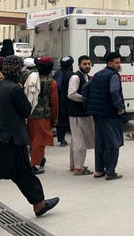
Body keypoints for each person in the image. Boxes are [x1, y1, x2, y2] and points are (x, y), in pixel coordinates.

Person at [0, 56, 59, 233]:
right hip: (13, 142)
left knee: (0, 177)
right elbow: (25, 111)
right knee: (19, 175)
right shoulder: (15, 89)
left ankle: (38, 205)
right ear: (17, 70)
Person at [82, 52, 125, 180]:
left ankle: (99, 170)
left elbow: (85, 88)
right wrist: (120, 108)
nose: (119, 65)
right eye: (117, 62)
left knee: (100, 142)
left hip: (97, 114)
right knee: (114, 142)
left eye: (119, 62)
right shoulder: (113, 76)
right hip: (110, 114)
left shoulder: (98, 74)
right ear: (110, 63)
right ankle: (110, 172)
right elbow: (114, 91)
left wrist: (88, 105)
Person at [26, 56, 58, 175]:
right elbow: (54, 102)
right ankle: (33, 164)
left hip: (30, 112)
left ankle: (40, 158)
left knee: (34, 138)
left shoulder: (31, 78)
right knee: (39, 141)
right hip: (43, 114)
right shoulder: (51, 82)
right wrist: (55, 118)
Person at [66, 55, 95, 175]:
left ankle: (74, 165)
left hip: (83, 114)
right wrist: (85, 99)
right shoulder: (75, 77)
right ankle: (78, 168)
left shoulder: (87, 77)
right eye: (85, 64)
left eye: (89, 64)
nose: (87, 66)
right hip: (77, 114)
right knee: (80, 142)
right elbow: (71, 94)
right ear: (79, 65)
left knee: (76, 140)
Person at [54, 56, 73, 147]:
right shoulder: (71, 75)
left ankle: (61, 139)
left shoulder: (57, 73)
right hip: (68, 100)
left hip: (59, 100)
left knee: (61, 120)